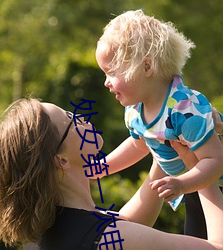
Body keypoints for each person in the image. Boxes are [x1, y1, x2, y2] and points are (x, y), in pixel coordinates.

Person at [0, 98, 223, 250]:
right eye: (71, 120)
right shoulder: (108, 238)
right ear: (61, 160)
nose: (82, 118)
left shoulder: (50, 230)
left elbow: (129, 223)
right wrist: (199, 166)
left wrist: (162, 141)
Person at [95, 9, 223, 238]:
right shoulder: (135, 110)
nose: (106, 82)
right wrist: (103, 167)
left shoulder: (184, 109)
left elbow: (215, 160)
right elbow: (138, 145)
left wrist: (182, 184)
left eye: (111, 72)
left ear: (146, 67)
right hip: (194, 188)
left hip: (212, 184)